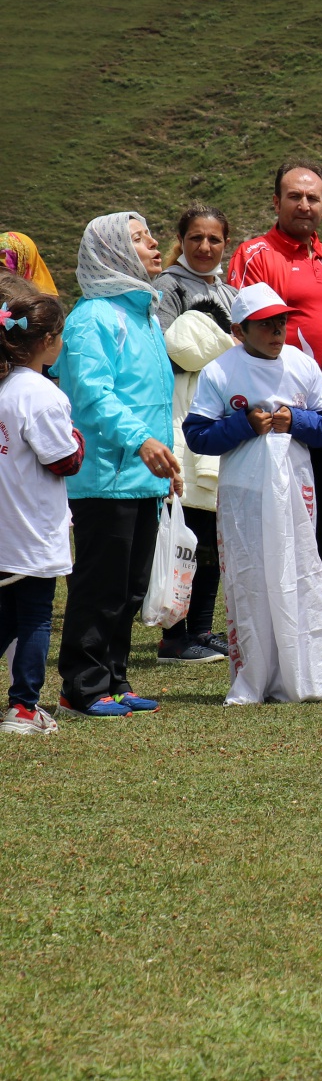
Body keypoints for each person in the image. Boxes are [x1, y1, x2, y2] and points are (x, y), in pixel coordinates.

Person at [182, 284, 322, 704]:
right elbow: (197, 435)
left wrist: (296, 421)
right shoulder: (220, 371)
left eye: (281, 322)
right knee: (250, 577)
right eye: (265, 325)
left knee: (298, 569)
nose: (276, 331)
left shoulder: (301, 365)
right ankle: (256, 672)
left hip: (295, 487)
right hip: (244, 492)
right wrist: (243, 425)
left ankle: (306, 666)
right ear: (240, 329)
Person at [55, 212, 182, 720]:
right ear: (111, 252)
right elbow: (92, 397)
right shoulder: (92, 319)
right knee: (99, 584)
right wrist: (142, 441)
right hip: (106, 475)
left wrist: (163, 455)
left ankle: (115, 676)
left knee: (129, 586)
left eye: (150, 235)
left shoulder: (145, 315)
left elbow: (152, 397)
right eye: (139, 239)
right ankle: (81, 686)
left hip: (141, 476)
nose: (154, 244)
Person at [227, 160, 322, 570]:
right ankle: (276, 618)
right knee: (276, 521)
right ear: (276, 201)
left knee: (319, 519)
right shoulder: (255, 254)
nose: (304, 205)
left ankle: (313, 619)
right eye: (294, 196)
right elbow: (239, 330)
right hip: (276, 415)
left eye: (312, 198)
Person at [153, 203, 237, 664]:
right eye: (196, 239)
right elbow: (173, 348)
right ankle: (175, 633)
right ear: (181, 241)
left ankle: (202, 628)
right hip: (184, 417)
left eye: (214, 240)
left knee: (215, 531)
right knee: (189, 529)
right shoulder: (166, 287)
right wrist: (228, 348)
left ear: (226, 243)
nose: (205, 247)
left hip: (221, 418)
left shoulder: (231, 290)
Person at [0, 293, 76, 735]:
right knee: (34, 616)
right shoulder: (42, 394)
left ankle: (23, 705)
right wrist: (78, 440)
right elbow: (64, 459)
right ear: (49, 340)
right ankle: (25, 707)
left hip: (7, 521)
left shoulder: (5, 388)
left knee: (8, 615)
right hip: (31, 524)